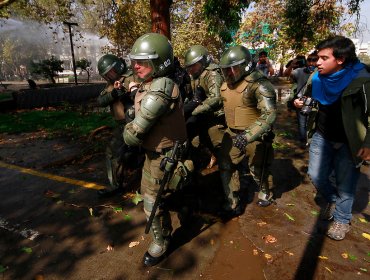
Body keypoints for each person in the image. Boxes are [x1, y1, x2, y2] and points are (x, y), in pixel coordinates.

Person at [123, 33, 191, 266]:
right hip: (155, 154)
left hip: (163, 156)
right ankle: (181, 213)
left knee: (152, 201)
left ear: (159, 62)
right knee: (155, 196)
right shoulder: (150, 83)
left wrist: (130, 123)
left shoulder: (161, 86)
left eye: (143, 61)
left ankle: (161, 242)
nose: (136, 66)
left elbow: (132, 136)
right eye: (134, 60)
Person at [296, 35, 370, 241]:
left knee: (346, 184)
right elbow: (307, 97)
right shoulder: (318, 77)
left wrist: (368, 143)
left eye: (323, 58)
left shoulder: (362, 80)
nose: (317, 62)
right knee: (315, 174)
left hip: (350, 141)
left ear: (341, 59)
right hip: (322, 135)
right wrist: (301, 103)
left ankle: (342, 220)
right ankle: (332, 199)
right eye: (317, 57)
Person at [217, 45, 277, 214]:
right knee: (225, 165)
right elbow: (222, 102)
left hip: (254, 134)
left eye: (233, 69)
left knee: (257, 168)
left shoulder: (259, 84)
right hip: (232, 133)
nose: (229, 73)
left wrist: (249, 135)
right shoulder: (226, 84)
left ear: (246, 66)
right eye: (226, 70)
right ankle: (232, 201)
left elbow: (269, 114)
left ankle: (266, 191)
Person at [96, 54, 140, 197]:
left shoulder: (131, 77)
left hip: (136, 123)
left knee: (116, 153)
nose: (110, 75)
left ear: (118, 67)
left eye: (111, 71)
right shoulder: (111, 84)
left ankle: (118, 185)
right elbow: (101, 101)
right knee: (116, 153)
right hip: (122, 125)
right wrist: (114, 94)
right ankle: (117, 184)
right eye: (106, 74)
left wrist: (126, 93)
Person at [183, 45, 224, 168]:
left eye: (194, 65)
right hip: (203, 113)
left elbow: (216, 98)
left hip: (216, 115)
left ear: (202, 62)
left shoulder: (211, 75)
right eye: (189, 66)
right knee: (194, 137)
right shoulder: (195, 76)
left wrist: (196, 110)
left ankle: (223, 164)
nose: (191, 69)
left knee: (218, 144)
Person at [288, 52, 318, 145]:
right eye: (309, 60)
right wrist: (292, 65)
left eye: (314, 60)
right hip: (301, 102)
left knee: (314, 123)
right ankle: (303, 141)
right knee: (302, 123)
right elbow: (287, 75)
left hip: (316, 103)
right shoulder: (300, 71)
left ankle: (311, 141)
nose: (311, 63)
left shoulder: (321, 72)